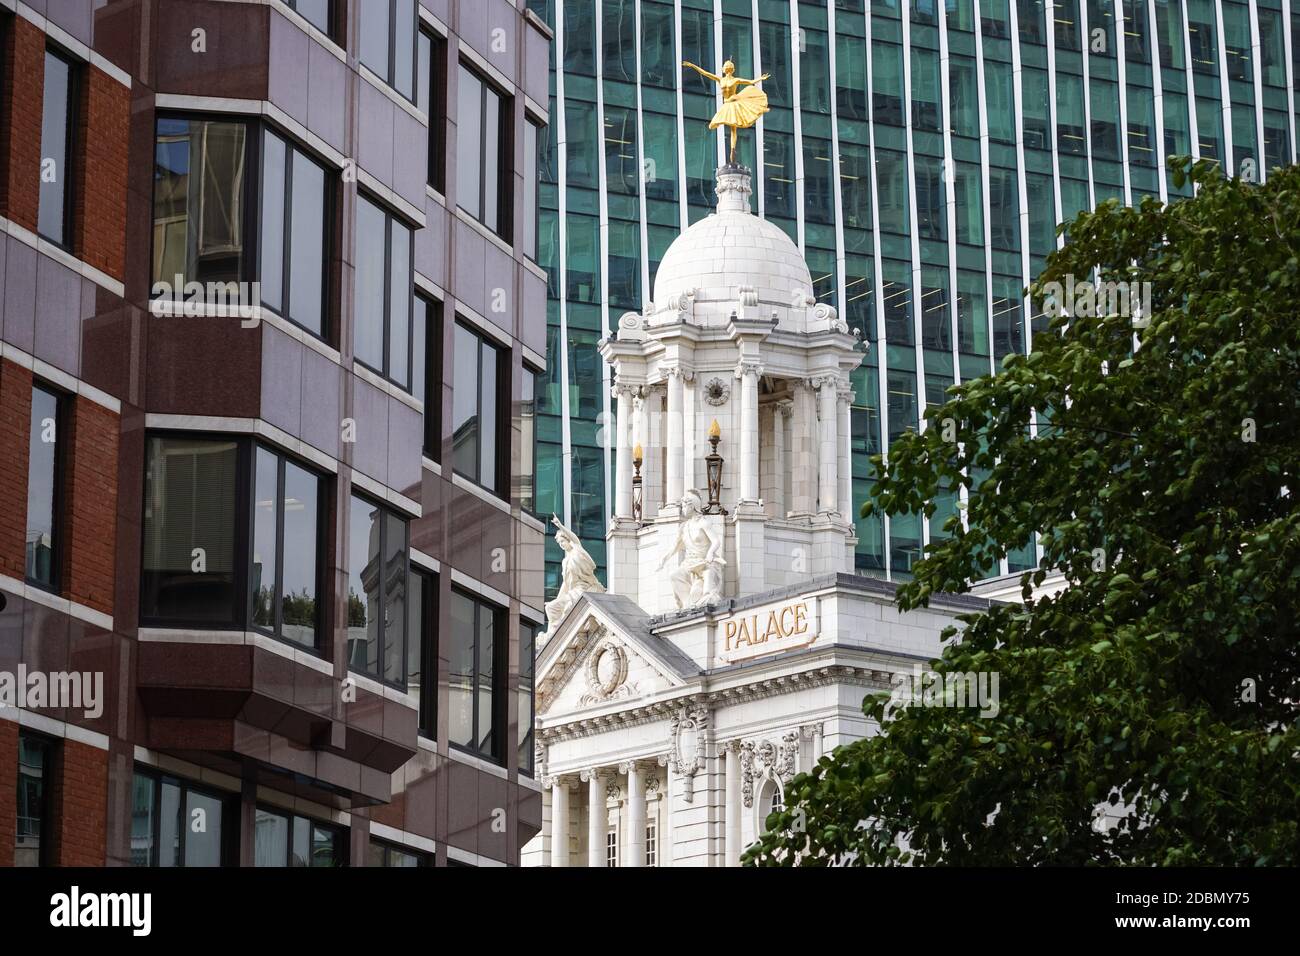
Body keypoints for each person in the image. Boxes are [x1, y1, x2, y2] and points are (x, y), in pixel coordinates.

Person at [682, 59, 771, 164]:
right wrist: (761, 78)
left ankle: (733, 148)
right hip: (731, 103)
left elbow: (705, 73)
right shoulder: (730, 80)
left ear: (726, 69)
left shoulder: (724, 80)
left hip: (730, 104)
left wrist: (692, 66)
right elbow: (750, 82)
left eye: (724, 67)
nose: (724, 68)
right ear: (732, 70)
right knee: (733, 128)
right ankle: (733, 148)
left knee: (732, 127)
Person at [657, 490, 726, 608]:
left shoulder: (704, 523)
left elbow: (716, 541)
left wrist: (710, 553)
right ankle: (686, 606)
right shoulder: (684, 527)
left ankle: (697, 601)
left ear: (692, 506)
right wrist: (664, 559)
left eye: (684, 506)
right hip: (689, 565)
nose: (682, 509)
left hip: (704, 565)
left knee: (699, 593)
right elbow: (675, 547)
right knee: (674, 575)